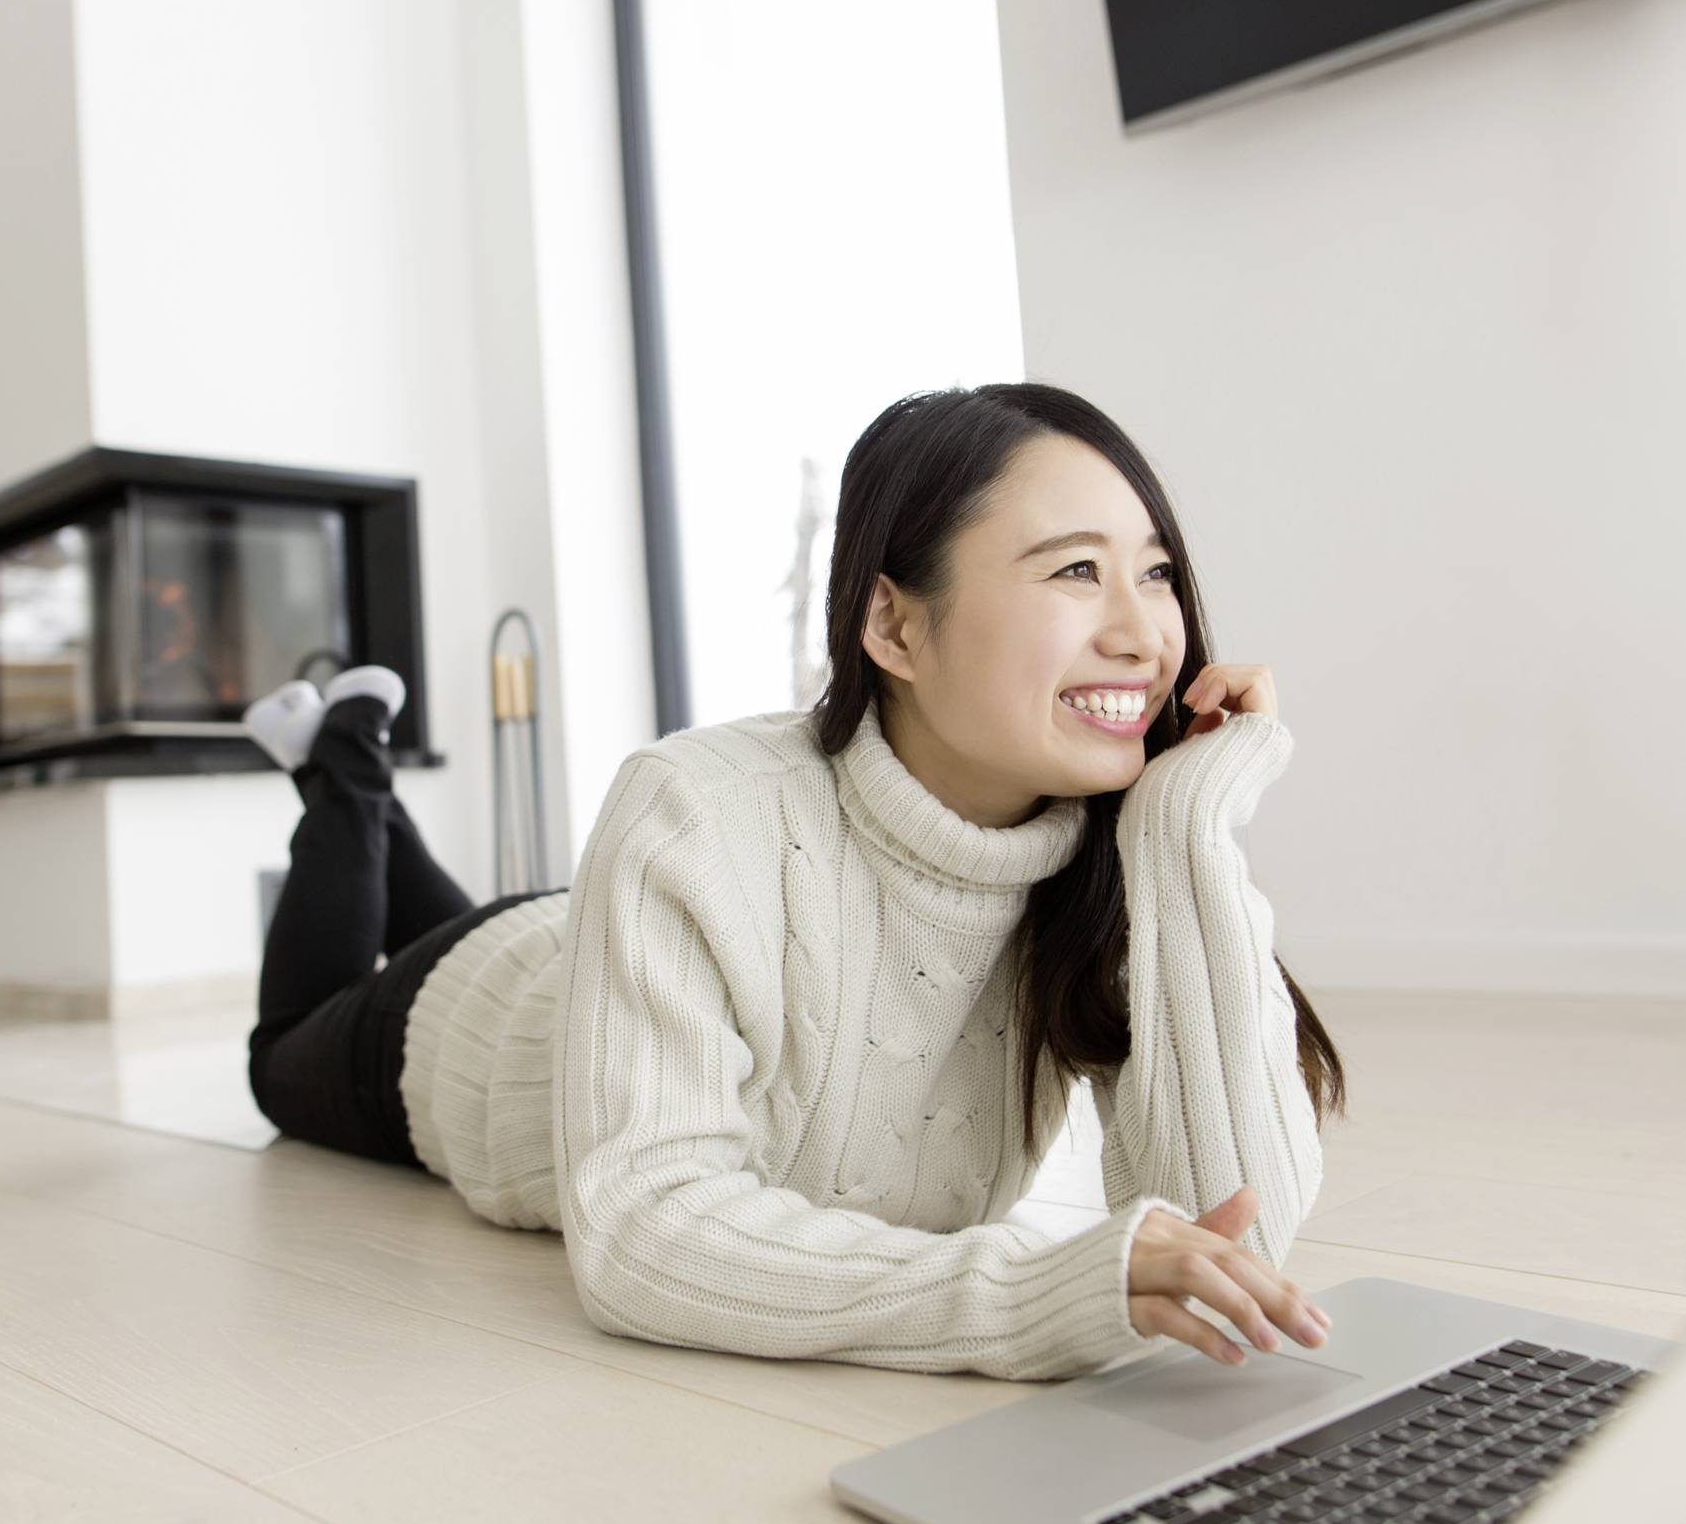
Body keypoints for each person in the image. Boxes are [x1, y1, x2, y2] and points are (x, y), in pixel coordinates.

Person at [244, 381, 1348, 1383]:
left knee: (451, 908)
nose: (1141, 633)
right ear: (893, 625)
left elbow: (1231, 1243)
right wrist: (1019, 1292)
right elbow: (643, 1234)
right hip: (469, 1019)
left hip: (585, 936)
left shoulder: (1116, 852)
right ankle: (343, 761)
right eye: (1073, 570)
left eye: (1153, 572)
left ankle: (353, 782)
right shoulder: (694, 802)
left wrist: (1183, 831)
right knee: (281, 1049)